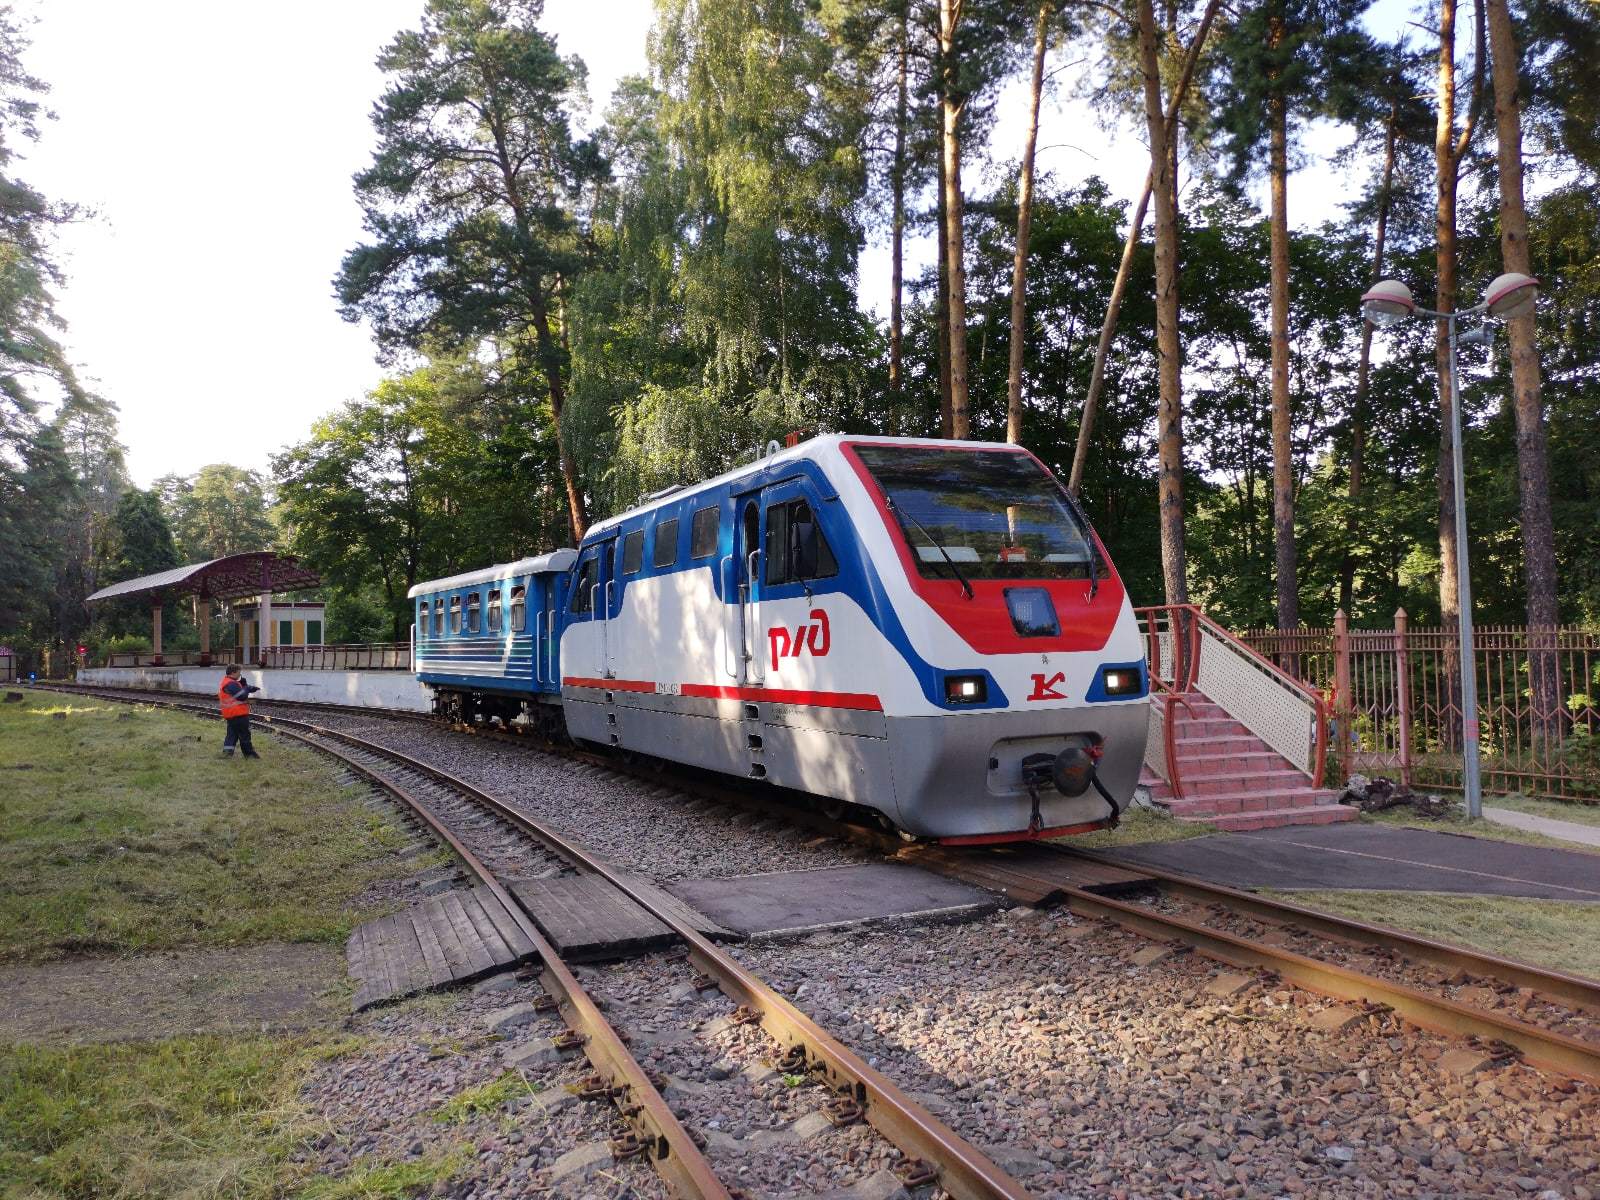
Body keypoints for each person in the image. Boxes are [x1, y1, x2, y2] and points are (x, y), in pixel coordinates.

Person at [218, 664, 261, 759]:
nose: (240, 674)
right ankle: (250, 755)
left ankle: (227, 753)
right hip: (238, 714)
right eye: (239, 672)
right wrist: (246, 688)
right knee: (244, 735)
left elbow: (239, 693)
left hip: (231, 714)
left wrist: (247, 687)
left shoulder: (228, 682)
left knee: (232, 734)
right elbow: (241, 696)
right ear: (233, 672)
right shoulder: (231, 683)